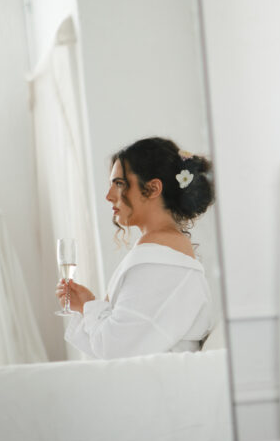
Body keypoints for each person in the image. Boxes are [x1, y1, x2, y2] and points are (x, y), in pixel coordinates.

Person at [57, 137, 216, 359]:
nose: (109, 195)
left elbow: (115, 348)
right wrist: (86, 304)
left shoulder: (161, 263)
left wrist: (88, 307)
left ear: (152, 189)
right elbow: (125, 341)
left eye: (119, 183)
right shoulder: (162, 254)